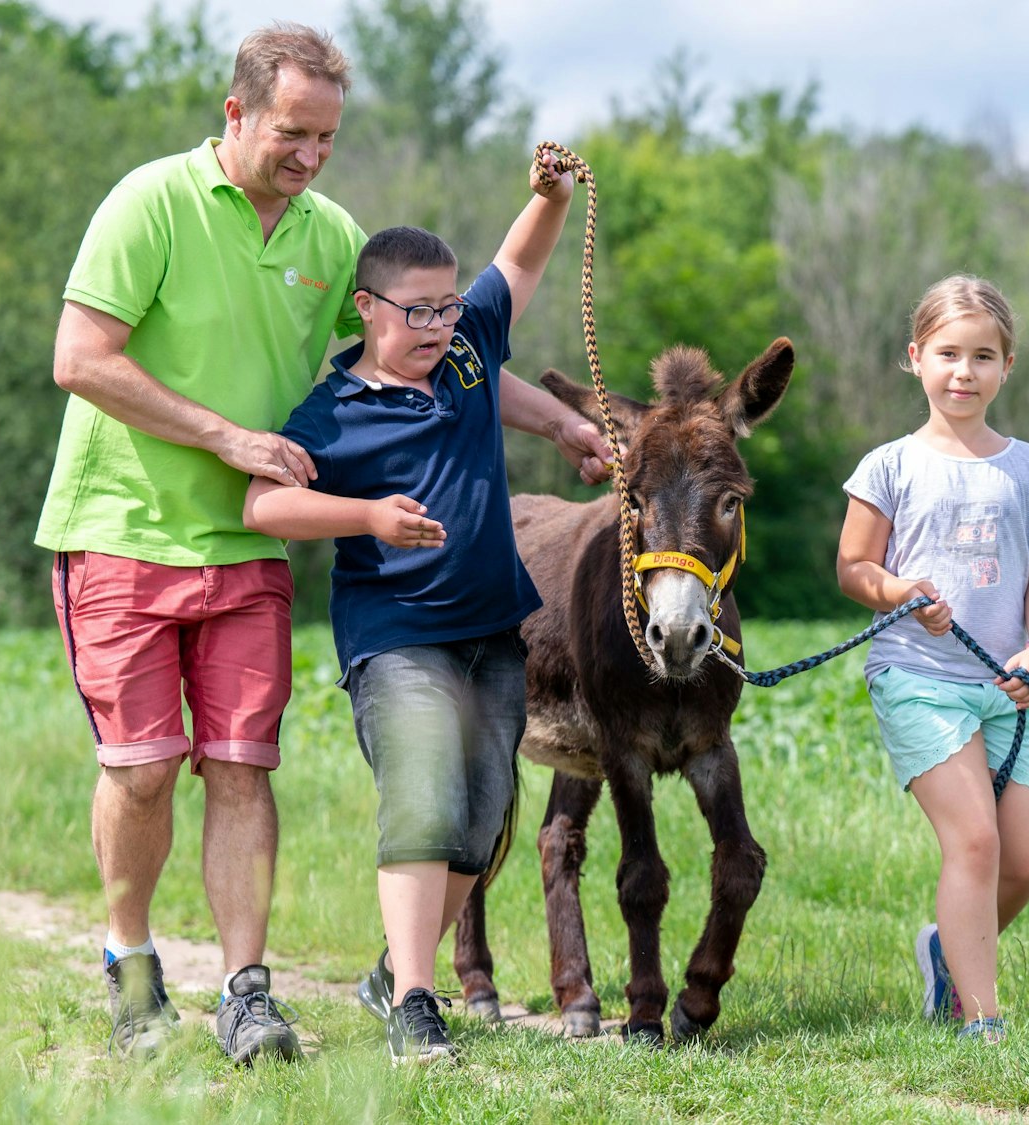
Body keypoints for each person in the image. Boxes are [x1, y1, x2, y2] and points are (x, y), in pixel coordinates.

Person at [36, 22, 609, 1064]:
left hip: (249, 546)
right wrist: (229, 439)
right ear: (237, 111)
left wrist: (559, 423)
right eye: (291, 132)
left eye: (326, 138)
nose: (308, 154)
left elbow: (438, 345)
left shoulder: (328, 233)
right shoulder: (149, 202)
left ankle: (246, 991)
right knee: (146, 769)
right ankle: (131, 961)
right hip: (123, 526)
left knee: (242, 766)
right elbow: (80, 358)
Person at [242, 154, 579, 1064]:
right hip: (395, 639)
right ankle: (417, 1008)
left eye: (445, 307)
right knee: (424, 801)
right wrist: (367, 516)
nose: (437, 325)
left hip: (492, 632)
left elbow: (520, 264)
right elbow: (262, 506)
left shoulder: (469, 350)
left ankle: (395, 965)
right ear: (367, 308)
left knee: (479, 824)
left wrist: (548, 199)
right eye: (416, 311)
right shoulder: (331, 415)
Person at [834, 275, 1029, 1046]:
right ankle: (982, 1017)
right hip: (919, 678)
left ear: (1008, 366)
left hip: (1013, 688)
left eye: (983, 356)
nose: (963, 371)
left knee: (1024, 861)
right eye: (947, 354)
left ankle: (945, 947)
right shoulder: (888, 465)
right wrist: (899, 589)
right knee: (974, 840)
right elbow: (854, 568)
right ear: (915, 358)